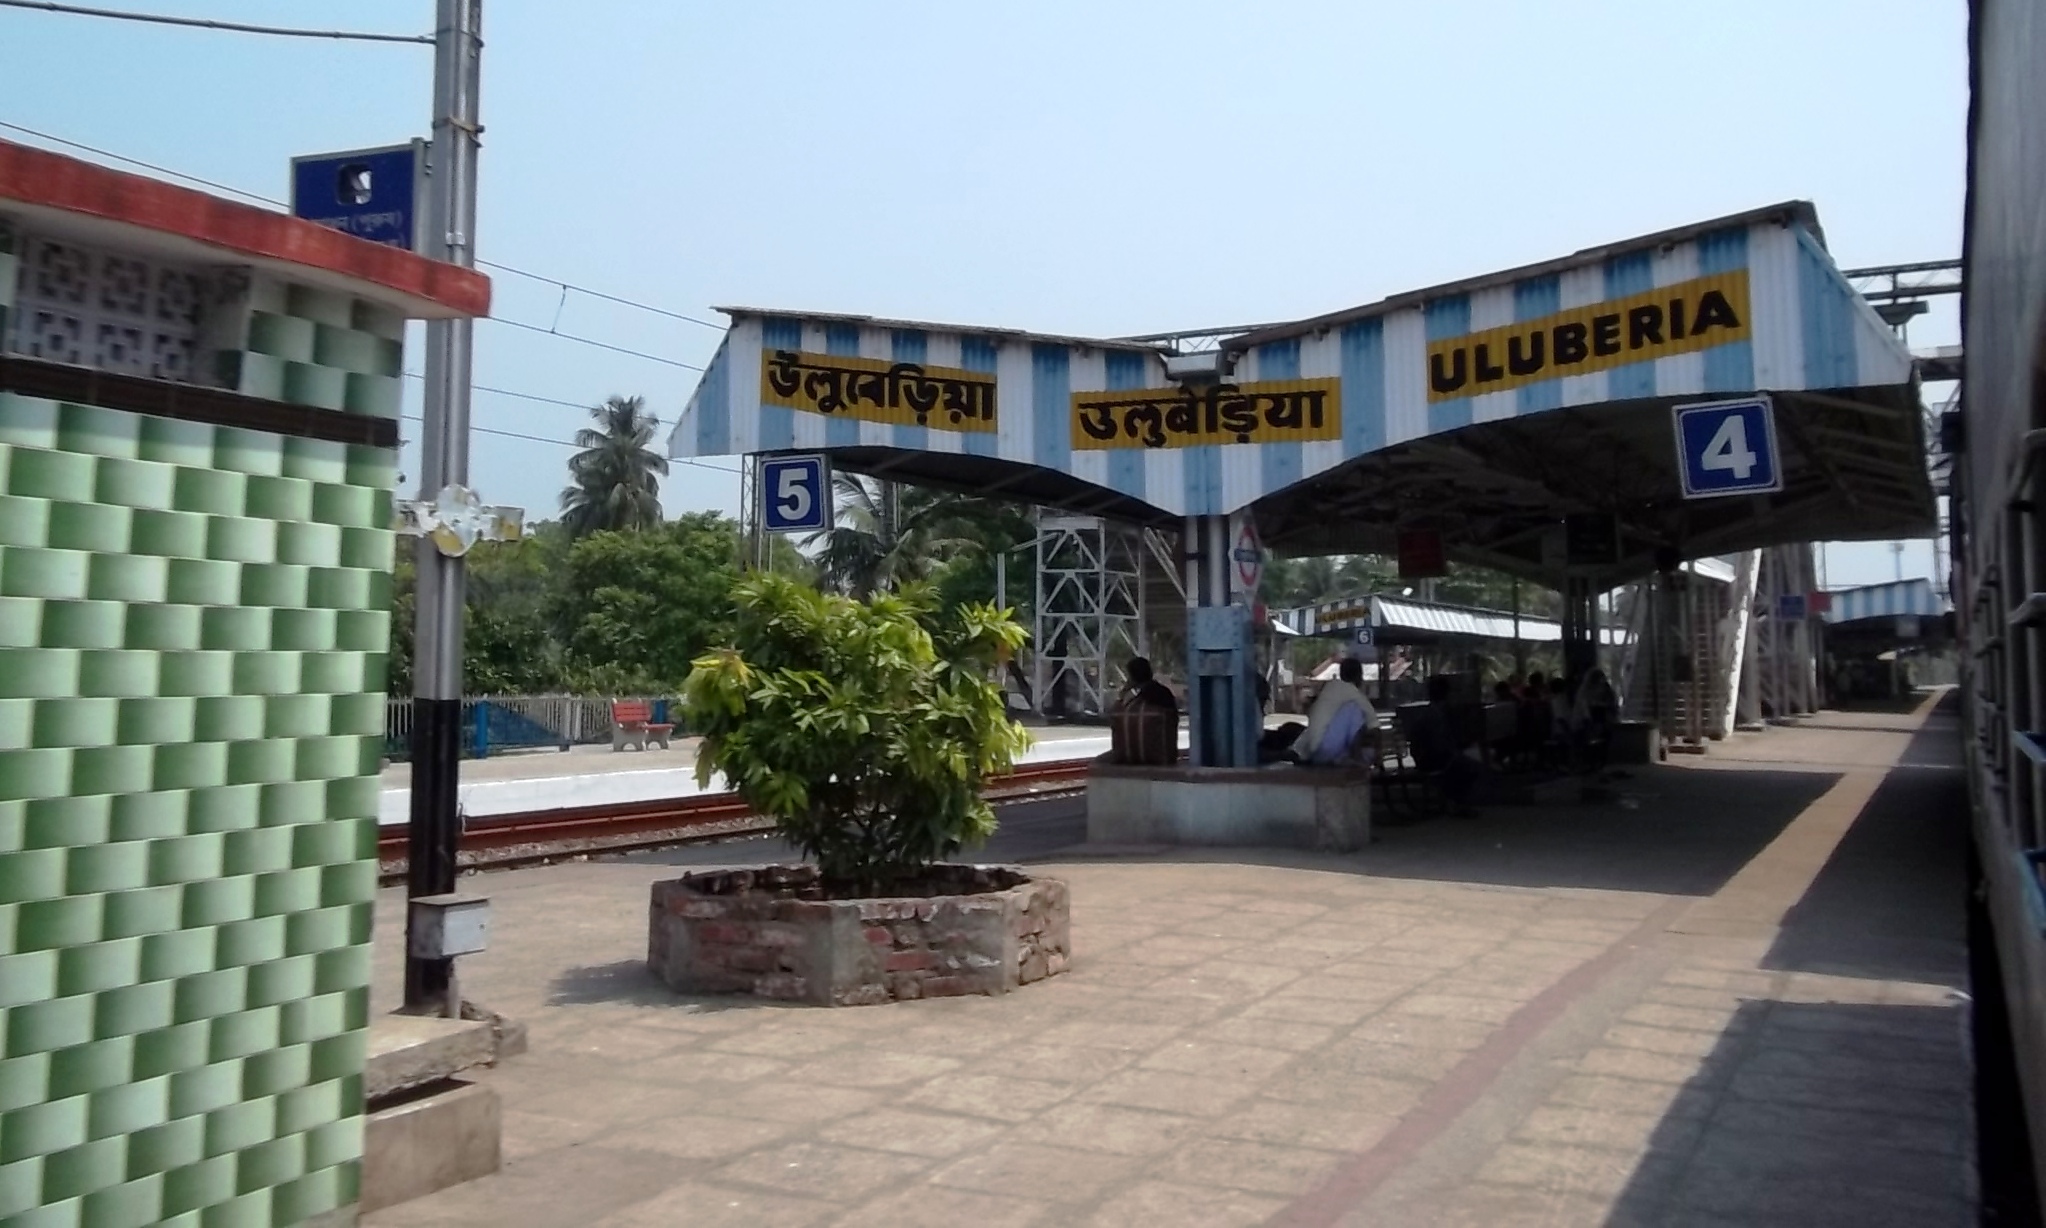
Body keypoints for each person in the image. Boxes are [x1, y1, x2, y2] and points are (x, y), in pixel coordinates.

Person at [1405, 674, 1481, 815]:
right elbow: (1439, 745)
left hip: (1427, 757)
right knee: (1469, 767)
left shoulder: (1430, 712)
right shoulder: (1437, 715)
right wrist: (1455, 752)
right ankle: (1457, 803)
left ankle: (1454, 801)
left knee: (1465, 764)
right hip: (1432, 759)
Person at [1292, 657, 1376, 765]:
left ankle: (1348, 758)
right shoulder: (1352, 693)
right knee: (1354, 710)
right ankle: (1356, 758)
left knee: (1368, 752)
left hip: (1313, 752)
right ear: (1359, 676)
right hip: (1325, 751)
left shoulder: (1330, 688)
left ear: (1341, 674)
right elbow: (1374, 725)